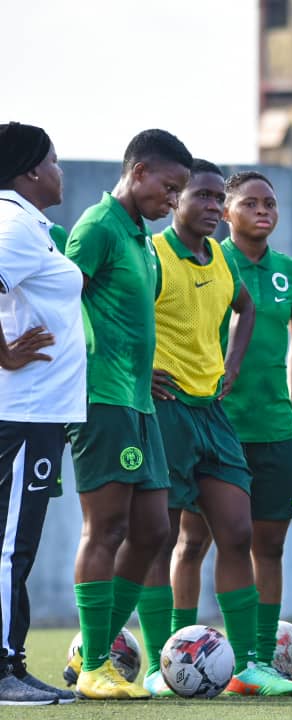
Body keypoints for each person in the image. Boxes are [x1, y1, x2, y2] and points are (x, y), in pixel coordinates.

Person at [136, 159, 292, 697]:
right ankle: (165, 664)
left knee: (244, 535)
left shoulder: (249, 267)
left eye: (214, 197)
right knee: (167, 537)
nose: (210, 207)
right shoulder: (161, 254)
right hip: (174, 412)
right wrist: (139, 374)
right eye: (203, 197)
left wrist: (232, 368)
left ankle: (253, 665)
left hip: (235, 418)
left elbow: (251, 311)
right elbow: (112, 309)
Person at [63, 129, 192, 700]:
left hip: (140, 400)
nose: (174, 201)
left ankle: (98, 655)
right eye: (169, 187)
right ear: (138, 172)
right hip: (101, 399)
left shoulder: (142, 240)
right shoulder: (96, 227)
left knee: (153, 530)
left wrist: (147, 370)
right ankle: (93, 664)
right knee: (108, 527)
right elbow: (62, 301)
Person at [0, 123, 82, 706]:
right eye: (54, 160)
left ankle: (14, 660)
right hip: (24, 412)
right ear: (30, 171)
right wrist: (3, 352)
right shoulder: (12, 222)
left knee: (18, 543)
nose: (61, 171)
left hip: (40, 413)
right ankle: (1, 667)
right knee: (10, 544)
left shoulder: (29, 225)